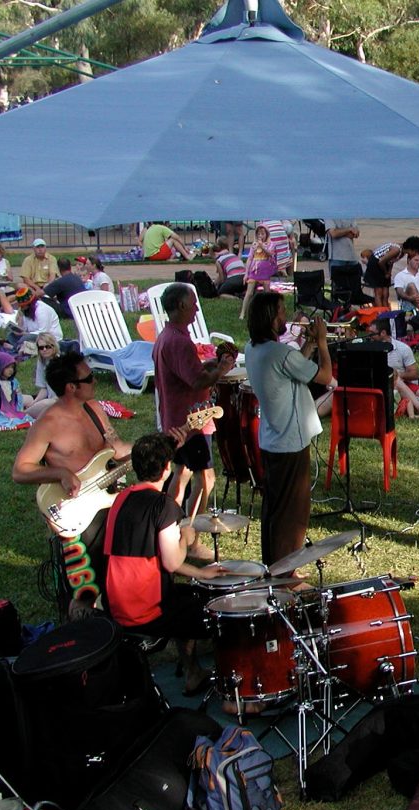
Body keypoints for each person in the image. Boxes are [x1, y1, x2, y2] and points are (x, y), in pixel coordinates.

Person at [12, 351, 135, 618]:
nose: (95, 382)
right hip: (75, 512)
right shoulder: (48, 423)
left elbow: (117, 448)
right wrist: (60, 473)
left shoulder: (95, 409)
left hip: (107, 500)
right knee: (85, 592)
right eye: (89, 378)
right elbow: (20, 471)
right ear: (71, 387)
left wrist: (151, 448)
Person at [104, 431, 225, 696]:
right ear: (168, 467)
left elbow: (156, 557)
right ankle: (227, 675)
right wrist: (186, 538)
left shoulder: (120, 500)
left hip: (117, 602)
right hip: (147, 609)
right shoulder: (164, 506)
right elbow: (172, 561)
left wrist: (199, 573)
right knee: (214, 610)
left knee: (187, 593)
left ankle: (192, 672)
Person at [244, 291, 333, 567]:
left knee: (274, 508)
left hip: (272, 438)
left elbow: (294, 369)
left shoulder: (253, 348)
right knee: (293, 513)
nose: (286, 316)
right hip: (290, 441)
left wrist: (307, 344)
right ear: (271, 318)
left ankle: (274, 565)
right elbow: (326, 377)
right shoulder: (281, 353)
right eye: (282, 311)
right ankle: (286, 573)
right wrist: (322, 342)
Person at [152, 283, 237, 558]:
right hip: (191, 424)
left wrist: (211, 364)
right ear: (181, 306)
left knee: (182, 475)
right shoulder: (177, 341)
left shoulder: (168, 336)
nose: (197, 308)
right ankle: (191, 540)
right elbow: (197, 380)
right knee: (205, 479)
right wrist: (222, 368)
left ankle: (170, 531)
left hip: (178, 419)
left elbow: (189, 373)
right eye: (193, 304)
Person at [241, 225, 277, 319]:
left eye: (263, 233)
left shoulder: (271, 244)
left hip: (265, 272)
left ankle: (269, 312)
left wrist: (262, 246)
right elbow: (249, 259)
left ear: (266, 234)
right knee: (249, 293)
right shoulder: (254, 245)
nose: (260, 235)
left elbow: (270, 254)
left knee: (267, 293)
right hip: (254, 271)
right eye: (258, 233)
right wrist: (246, 273)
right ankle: (243, 312)